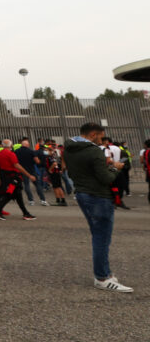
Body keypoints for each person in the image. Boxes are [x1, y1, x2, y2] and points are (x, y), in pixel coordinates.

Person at [63, 123, 132, 292]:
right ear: (93, 134)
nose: (102, 141)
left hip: (82, 193)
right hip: (98, 196)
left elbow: (73, 171)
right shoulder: (94, 151)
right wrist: (116, 168)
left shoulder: (69, 148)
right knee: (102, 238)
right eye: (101, 137)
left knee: (98, 234)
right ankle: (102, 277)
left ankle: (105, 273)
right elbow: (106, 178)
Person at [0, 138, 36, 221]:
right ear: (11, 145)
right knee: (11, 194)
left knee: (17, 194)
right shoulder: (11, 154)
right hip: (13, 178)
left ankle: (25, 213)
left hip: (5, 177)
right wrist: (29, 175)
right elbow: (17, 165)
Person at [15, 138, 47, 206]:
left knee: (26, 185)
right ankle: (43, 200)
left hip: (22, 170)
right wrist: (40, 161)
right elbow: (37, 161)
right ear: (27, 145)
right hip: (31, 170)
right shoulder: (31, 151)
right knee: (37, 184)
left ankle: (31, 200)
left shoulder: (17, 151)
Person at [45, 140, 68, 206]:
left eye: (46, 151)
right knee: (56, 187)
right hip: (55, 173)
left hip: (54, 173)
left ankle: (62, 200)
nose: (45, 152)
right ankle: (58, 199)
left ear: (50, 151)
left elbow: (55, 163)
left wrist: (50, 169)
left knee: (57, 187)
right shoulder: (51, 156)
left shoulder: (51, 157)